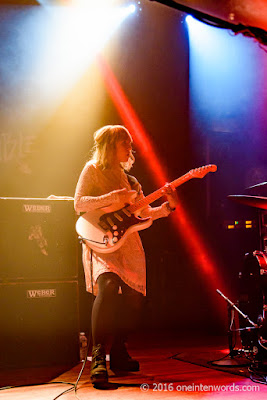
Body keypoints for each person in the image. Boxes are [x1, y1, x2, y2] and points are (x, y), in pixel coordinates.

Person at [74, 125, 178, 387]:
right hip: (102, 241)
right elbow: (79, 204)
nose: (131, 149)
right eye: (126, 143)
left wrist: (168, 207)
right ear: (112, 145)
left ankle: (119, 351)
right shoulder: (92, 170)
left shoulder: (132, 181)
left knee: (133, 301)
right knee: (107, 287)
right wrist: (113, 196)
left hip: (129, 244)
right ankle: (98, 356)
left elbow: (142, 214)